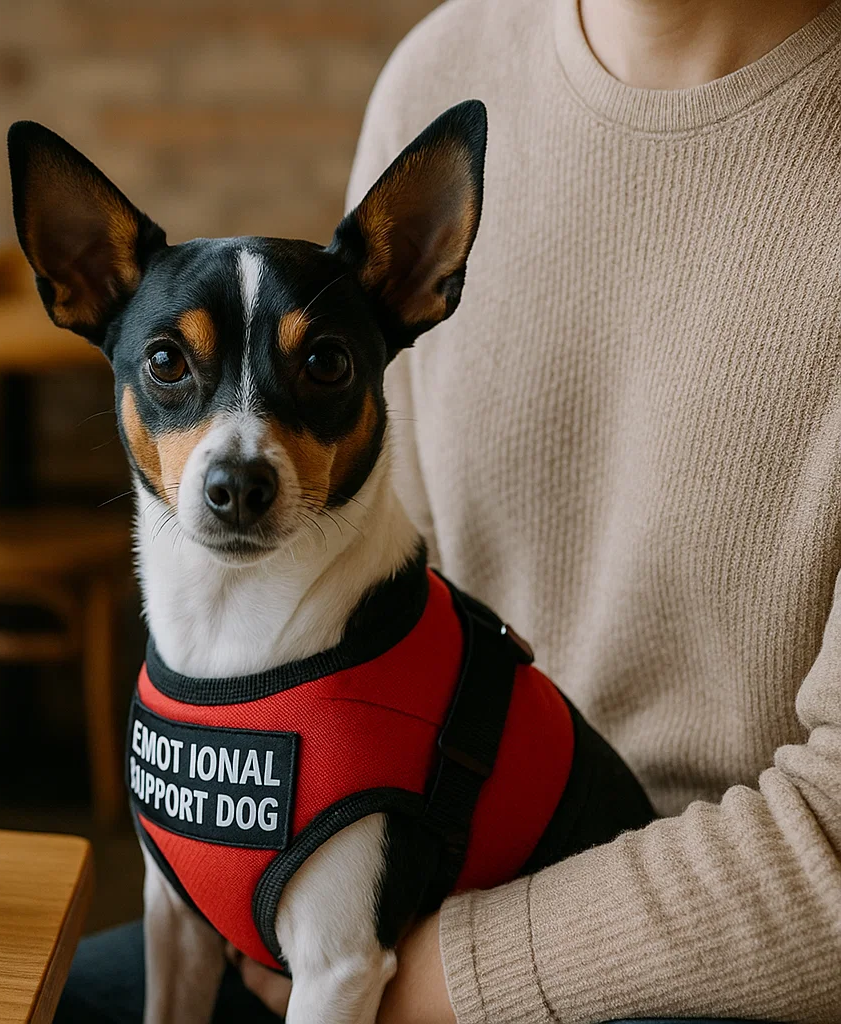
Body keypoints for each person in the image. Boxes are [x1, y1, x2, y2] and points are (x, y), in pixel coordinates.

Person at [56, 0, 841, 1021]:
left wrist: (434, 981)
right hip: (398, 837)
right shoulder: (446, 72)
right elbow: (374, 567)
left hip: (721, 937)